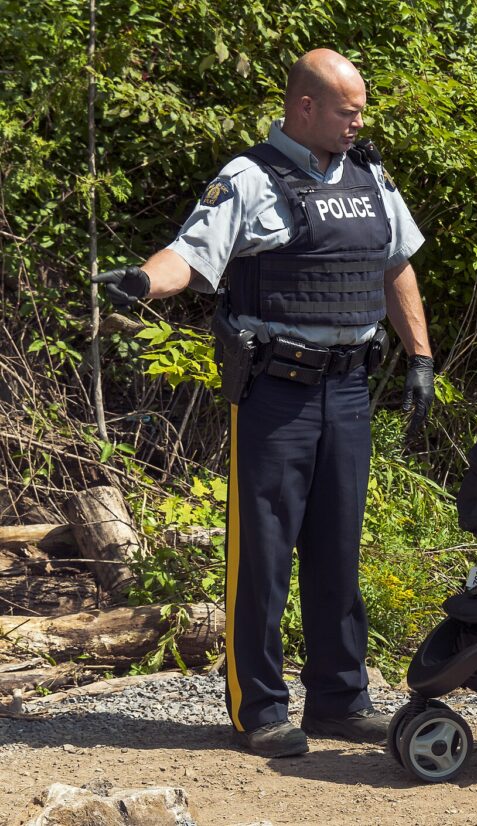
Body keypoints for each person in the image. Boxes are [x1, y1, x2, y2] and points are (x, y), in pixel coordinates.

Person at [93, 49, 435, 758]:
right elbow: (189, 254)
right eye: (347, 110)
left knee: (338, 548)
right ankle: (261, 710)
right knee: (266, 551)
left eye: (361, 110)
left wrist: (421, 358)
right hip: (275, 390)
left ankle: (341, 699)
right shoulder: (249, 179)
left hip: (348, 387)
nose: (358, 122)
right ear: (305, 107)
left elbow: (394, 263)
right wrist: (142, 283)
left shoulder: (368, 174)